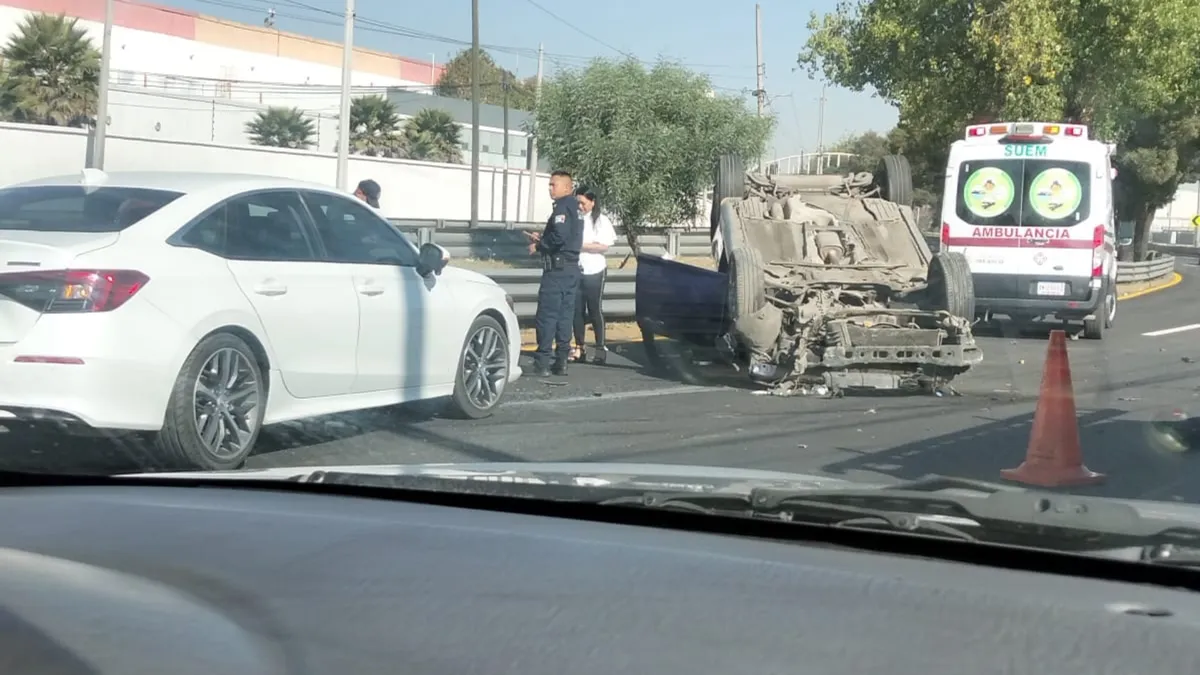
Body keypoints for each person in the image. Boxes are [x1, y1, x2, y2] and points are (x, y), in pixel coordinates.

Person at [526, 170, 584, 376]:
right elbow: (567, 236)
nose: (550, 188)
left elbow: (559, 237)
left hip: (557, 270)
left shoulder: (562, 207)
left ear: (568, 187)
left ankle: (542, 362)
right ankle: (561, 361)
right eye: (550, 185)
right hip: (570, 268)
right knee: (564, 317)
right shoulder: (575, 208)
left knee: (547, 316)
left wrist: (540, 245)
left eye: (554, 185)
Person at [570, 185, 617, 365]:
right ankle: (579, 347)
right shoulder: (575, 219)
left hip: (595, 269)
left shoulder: (601, 221)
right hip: (577, 269)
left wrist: (580, 245)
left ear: (592, 202)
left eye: (582, 203)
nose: (580, 206)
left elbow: (603, 246)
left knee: (594, 309)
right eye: (577, 203)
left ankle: (600, 347)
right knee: (577, 310)